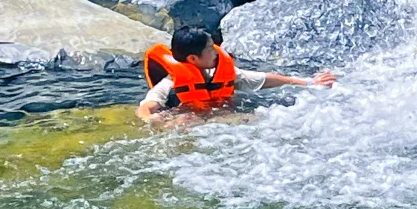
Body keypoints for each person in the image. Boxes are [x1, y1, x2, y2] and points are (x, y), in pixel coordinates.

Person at [137, 26, 336, 125]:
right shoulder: (171, 83)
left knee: (256, 119)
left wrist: (308, 82)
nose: (216, 51)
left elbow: (264, 79)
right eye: (209, 49)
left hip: (219, 120)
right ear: (193, 58)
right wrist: (154, 121)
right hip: (189, 123)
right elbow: (145, 108)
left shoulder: (222, 72)